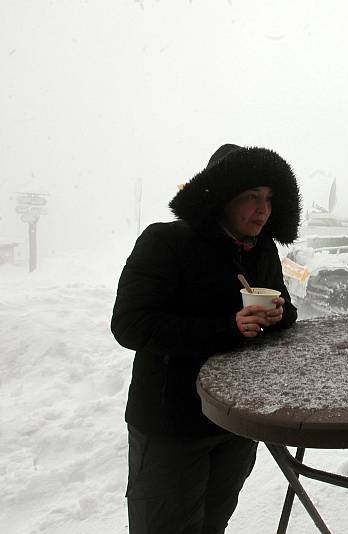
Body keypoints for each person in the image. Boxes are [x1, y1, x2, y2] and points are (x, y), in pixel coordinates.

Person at [111, 144, 301, 533]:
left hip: (237, 421)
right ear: (220, 197)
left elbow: (283, 306)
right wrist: (227, 327)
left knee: (213, 523)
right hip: (172, 425)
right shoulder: (166, 242)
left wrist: (279, 314)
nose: (263, 209)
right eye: (250, 197)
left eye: (268, 198)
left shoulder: (261, 250)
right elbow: (131, 324)